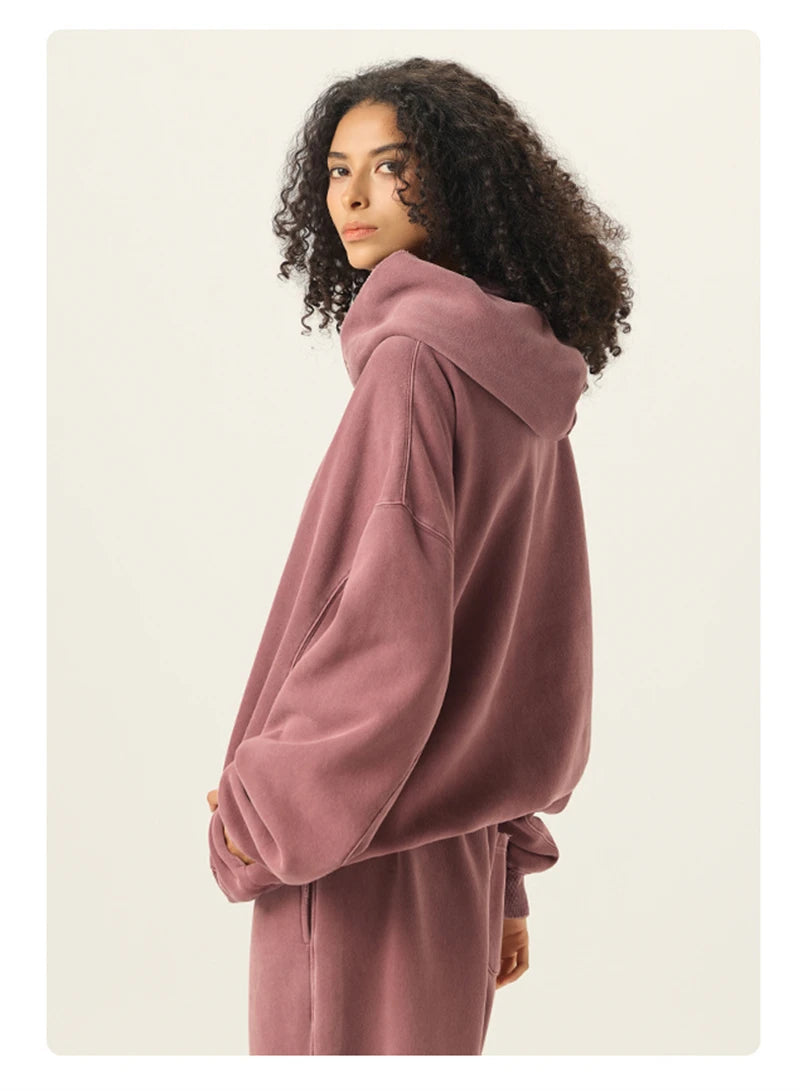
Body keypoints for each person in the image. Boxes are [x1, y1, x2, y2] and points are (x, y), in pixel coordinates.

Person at [206, 55, 633, 1055]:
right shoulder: (519, 379)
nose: (350, 197)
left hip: (352, 861)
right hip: (457, 865)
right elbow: (532, 653)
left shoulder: (410, 368)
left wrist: (260, 815)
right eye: (337, 170)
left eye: (389, 167)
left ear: (455, 181)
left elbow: (382, 637)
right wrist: (507, 869)